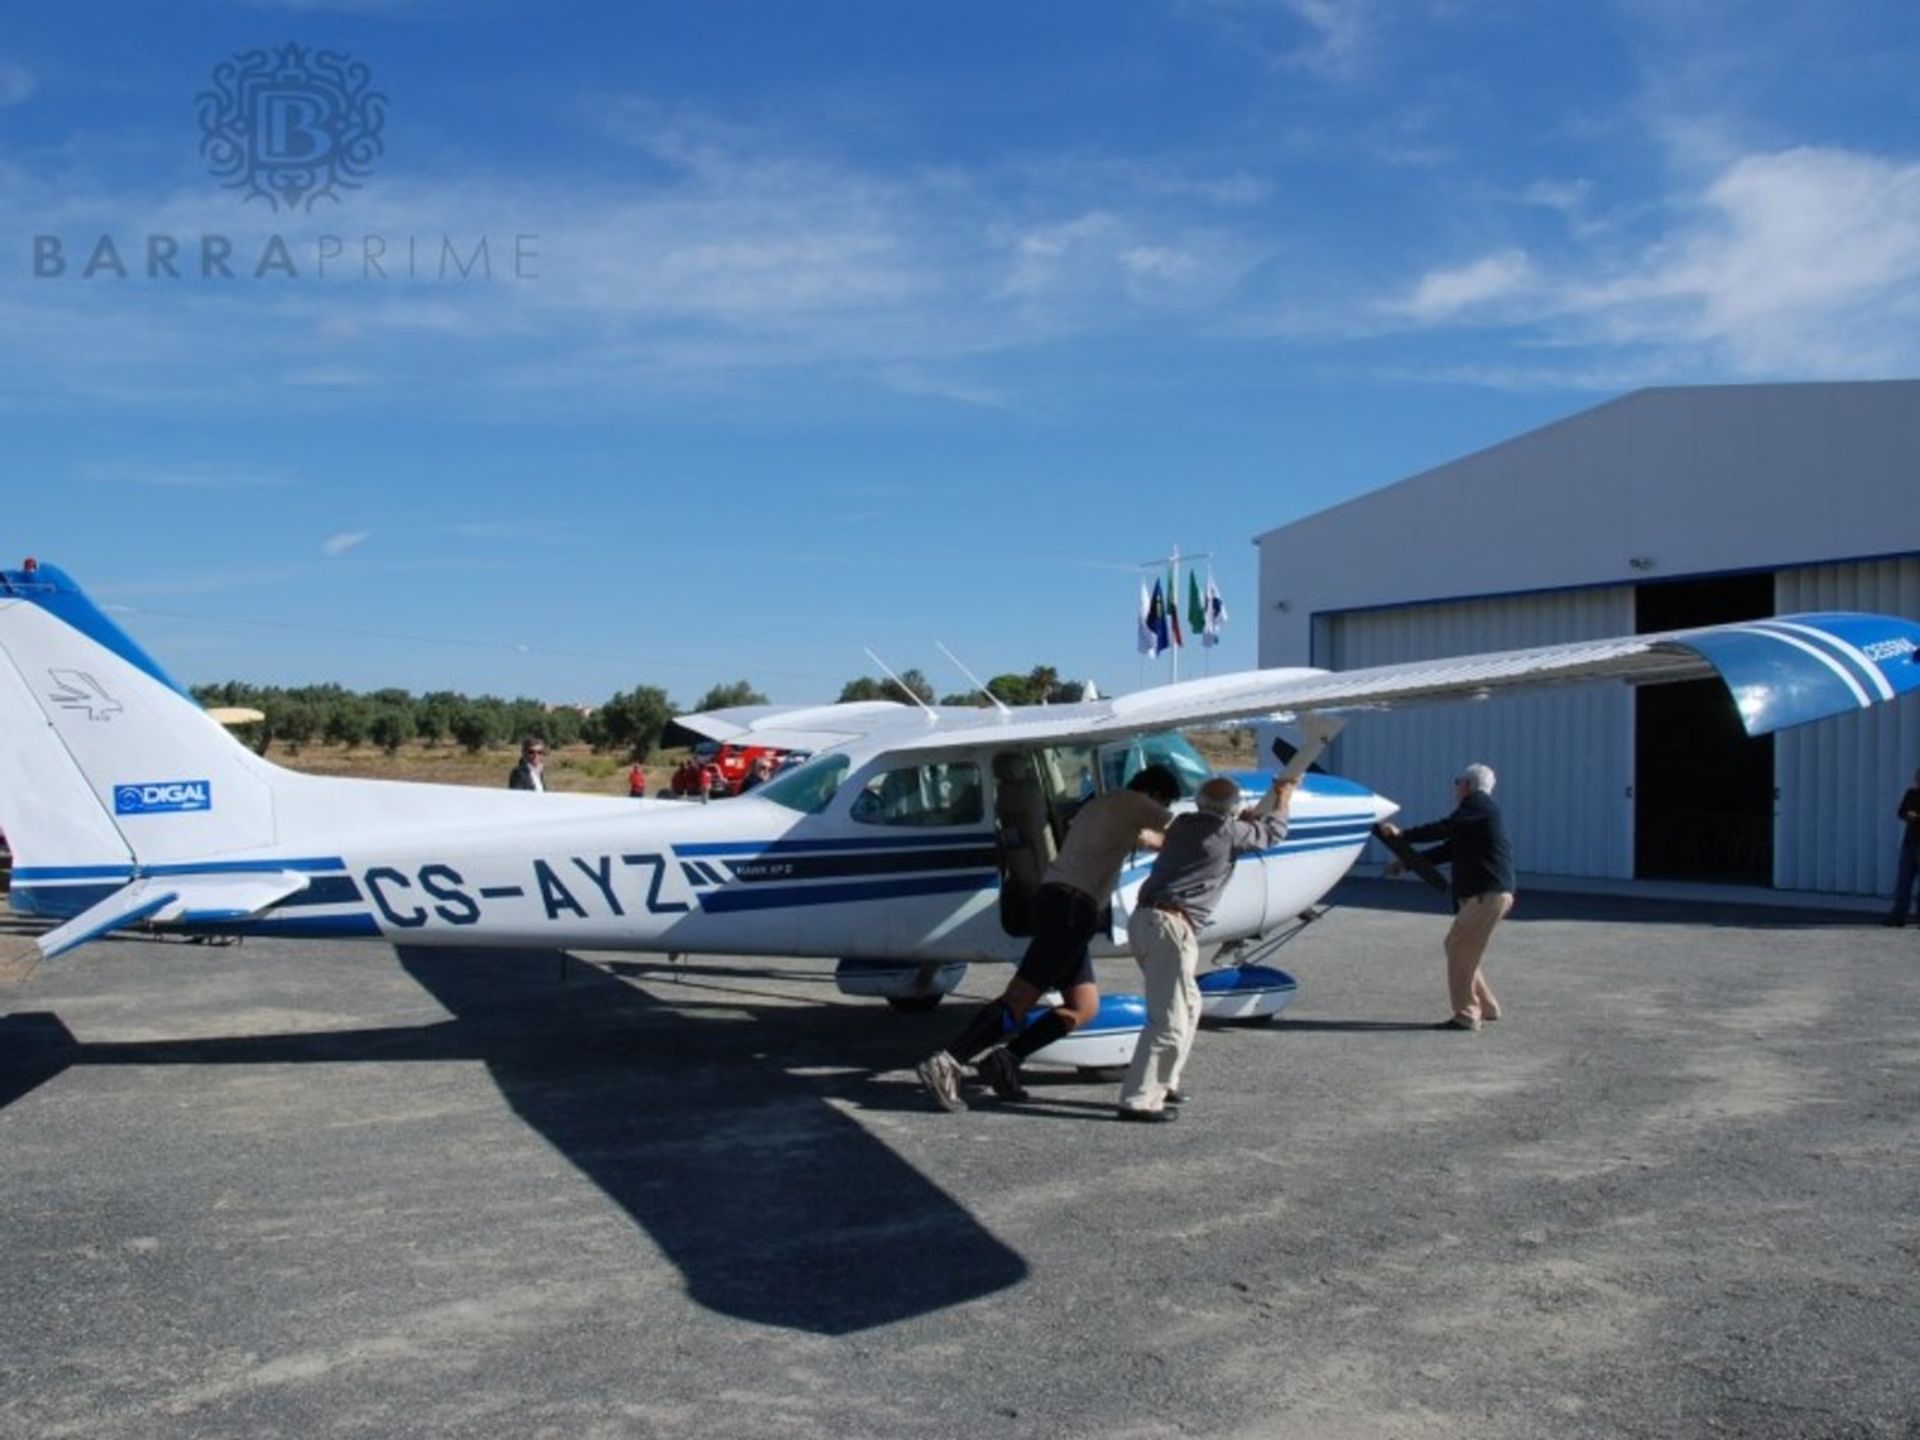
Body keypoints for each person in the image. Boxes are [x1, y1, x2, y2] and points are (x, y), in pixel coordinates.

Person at [916, 764, 1180, 1111]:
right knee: (1020, 996)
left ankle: (1007, 1059)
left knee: (1083, 1007)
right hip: (1069, 909)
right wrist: (1233, 825)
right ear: (1156, 795)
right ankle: (948, 1061)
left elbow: (1153, 840)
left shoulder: (1106, 808)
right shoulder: (1132, 803)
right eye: (1164, 801)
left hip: (1065, 907)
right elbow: (1181, 831)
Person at [1116, 774, 1298, 1122]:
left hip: (1148, 921)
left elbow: (1220, 832)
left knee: (1189, 1003)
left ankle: (1164, 1083)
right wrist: (1283, 798)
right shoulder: (1228, 832)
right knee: (1168, 1019)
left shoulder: (1185, 823)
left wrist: (1240, 821)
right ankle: (1138, 1101)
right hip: (1170, 926)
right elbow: (1273, 835)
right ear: (1232, 809)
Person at [1380, 762, 1514, 1031]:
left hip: (1484, 895)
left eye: (1457, 782)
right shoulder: (1478, 813)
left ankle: (1467, 1014)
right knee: (1460, 947)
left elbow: (1445, 828)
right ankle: (1487, 1007)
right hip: (1488, 895)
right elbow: (1448, 849)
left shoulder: (1477, 805)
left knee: (1459, 949)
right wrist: (1405, 862)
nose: (1455, 787)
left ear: (1468, 785)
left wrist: (1403, 835)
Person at [1884, 767, 1920, 926]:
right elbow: (1901, 812)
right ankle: (1898, 916)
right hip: (1909, 843)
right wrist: (1908, 815)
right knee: (1903, 882)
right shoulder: (1912, 794)